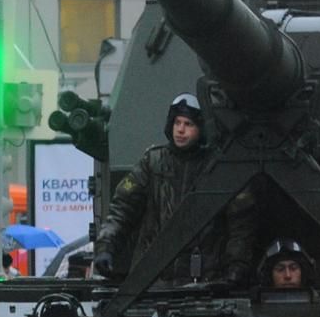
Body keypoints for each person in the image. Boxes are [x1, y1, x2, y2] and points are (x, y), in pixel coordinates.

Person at [93, 93, 257, 285]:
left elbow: (240, 222)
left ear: (201, 128)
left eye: (188, 124)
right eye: (177, 122)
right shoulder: (152, 162)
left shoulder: (217, 167)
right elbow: (122, 209)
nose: (180, 130)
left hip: (206, 281)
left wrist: (237, 265)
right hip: (153, 279)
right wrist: (106, 247)